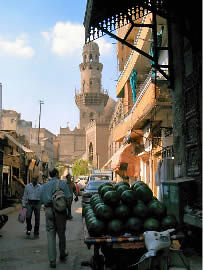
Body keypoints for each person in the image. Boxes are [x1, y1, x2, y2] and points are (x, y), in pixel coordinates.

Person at [40, 168, 72, 268]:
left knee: (50, 235)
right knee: (61, 234)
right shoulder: (62, 184)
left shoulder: (44, 186)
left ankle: (52, 260)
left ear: (50, 175)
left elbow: (41, 200)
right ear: (57, 174)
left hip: (49, 211)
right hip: (60, 212)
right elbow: (68, 197)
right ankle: (62, 253)